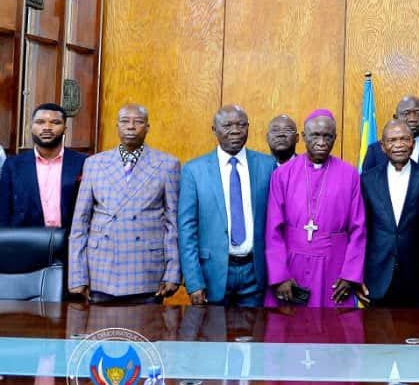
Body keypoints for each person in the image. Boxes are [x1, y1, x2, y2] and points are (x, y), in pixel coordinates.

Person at [68, 104, 181, 304]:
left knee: (144, 331)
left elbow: (173, 224)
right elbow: (80, 223)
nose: (131, 127)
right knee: (103, 332)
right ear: (117, 126)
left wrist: (173, 272)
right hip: (101, 268)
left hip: (146, 269)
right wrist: (77, 276)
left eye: (138, 122)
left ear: (147, 127)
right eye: (125, 122)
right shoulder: (94, 163)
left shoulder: (167, 164)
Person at [264, 109, 367, 308]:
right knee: (288, 331)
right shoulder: (283, 174)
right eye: (315, 135)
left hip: (334, 268)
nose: (321, 142)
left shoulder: (349, 174)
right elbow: (272, 230)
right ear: (303, 137)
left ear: (335, 138)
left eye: (327, 136)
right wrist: (279, 276)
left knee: (333, 331)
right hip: (291, 265)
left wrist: (350, 275)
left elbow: (358, 229)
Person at [178, 105, 276, 306]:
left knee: (253, 335)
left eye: (241, 125)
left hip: (255, 272)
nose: (235, 131)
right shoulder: (194, 171)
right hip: (211, 273)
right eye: (228, 125)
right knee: (212, 335)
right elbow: (187, 230)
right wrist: (193, 281)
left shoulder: (267, 165)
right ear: (214, 129)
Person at [358, 119, 419, 307]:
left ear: (412, 143)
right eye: (392, 140)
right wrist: (357, 275)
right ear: (382, 146)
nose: (398, 145)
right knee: (376, 335)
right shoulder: (367, 180)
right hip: (376, 278)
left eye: (404, 139)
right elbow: (360, 232)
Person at [0, 103, 86, 228]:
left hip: (70, 241)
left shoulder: (83, 162)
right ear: (30, 127)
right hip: (25, 241)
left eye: (55, 122)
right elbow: (4, 211)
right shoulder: (13, 165)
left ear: (65, 129)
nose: (47, 127)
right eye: (40, 122)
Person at [361, 96, 419, 173]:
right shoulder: (375, 150)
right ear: (395, 117)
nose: (413, 119)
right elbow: (366, 184)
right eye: (406, 113)